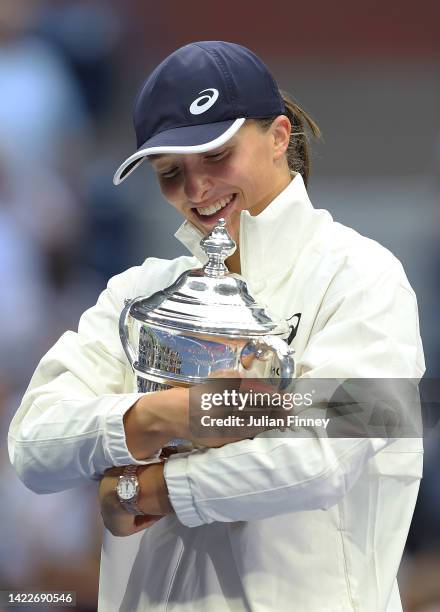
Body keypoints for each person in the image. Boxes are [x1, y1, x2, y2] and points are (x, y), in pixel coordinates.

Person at [8, 41, 425, 612]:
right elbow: (32, 443)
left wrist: (149, 488)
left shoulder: (368, 278)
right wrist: (167, 414)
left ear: (279, 137)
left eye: (215, 155)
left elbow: (322, 456)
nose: (196, 189)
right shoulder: (136, 292)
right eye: (170, 171)